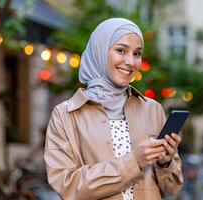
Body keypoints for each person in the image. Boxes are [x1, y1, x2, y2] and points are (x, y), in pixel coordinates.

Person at [44, 18, 183, 200]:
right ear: (100, 51)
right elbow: (67, 186)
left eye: (137, 53)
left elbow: (172, 191)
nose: (131, 62)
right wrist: (134, 161)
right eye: (121, 50)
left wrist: (165, 163)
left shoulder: (153, 110)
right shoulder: (65, 115)